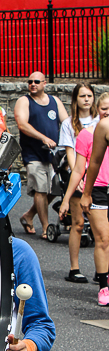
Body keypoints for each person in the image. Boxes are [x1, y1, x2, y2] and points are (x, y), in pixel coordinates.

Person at [59, 91, 107, 291]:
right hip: (94, 188)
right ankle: (80, 271)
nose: (107, 113)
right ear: (98, 110)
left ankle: (103, 271)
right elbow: (79, 168)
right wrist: (66, 199)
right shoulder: (86, 136)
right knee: (96, 234)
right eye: (104, 109)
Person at [14, 71, 68, 239]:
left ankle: (29, 215)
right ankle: (45, 227)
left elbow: (66, 122)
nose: (33, 84)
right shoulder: (24, 101)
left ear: (45, 83)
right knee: (40, 189)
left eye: (37, 81)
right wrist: (43, 138)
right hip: (33, 154)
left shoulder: (54, 101)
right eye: (30, 81)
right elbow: (22, 124)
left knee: (56, 189)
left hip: (53, 154)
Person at [73, 100, 109, 306]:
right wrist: (86, 193)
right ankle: (103, 285)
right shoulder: (103, 127)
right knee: (103, 238)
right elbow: (93, 161)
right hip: (100, 189)